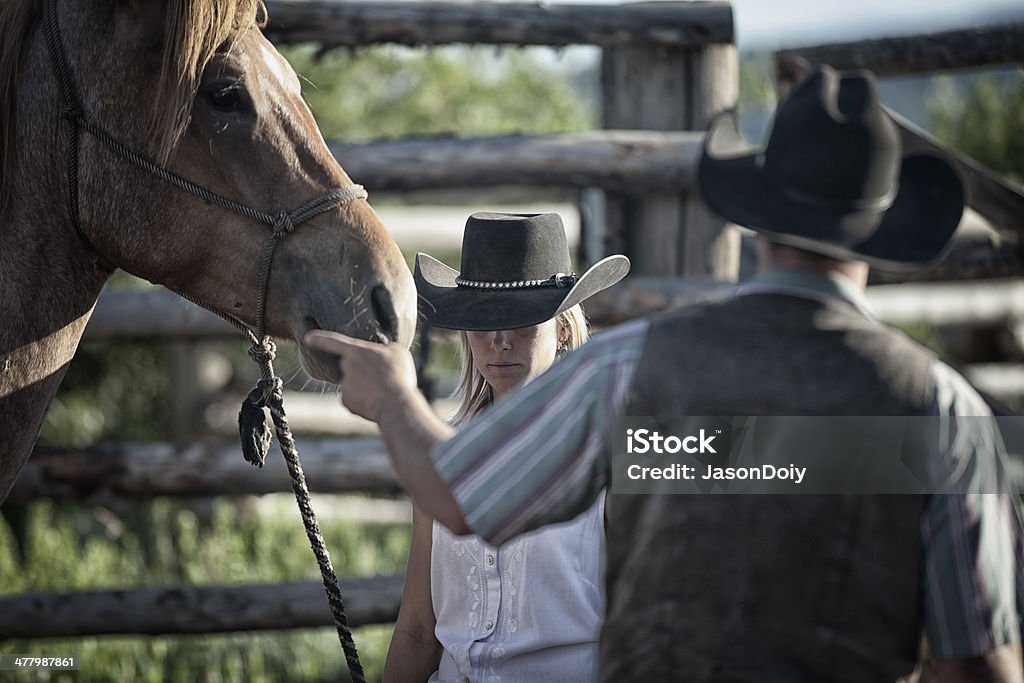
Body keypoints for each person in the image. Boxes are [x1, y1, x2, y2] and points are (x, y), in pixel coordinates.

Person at [308, 67, 1023, 682]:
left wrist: (395, 397)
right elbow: (979, 666)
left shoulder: (631, 372)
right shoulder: (946, 414)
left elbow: (467, 497)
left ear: (756, 218)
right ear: (877, 231)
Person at [381, 212, 630, 682]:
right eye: (482, 322)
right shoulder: (442, 453)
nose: (498, 342)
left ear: (561, 327)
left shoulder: (606, 453)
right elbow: (418, 628)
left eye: (520, 321)